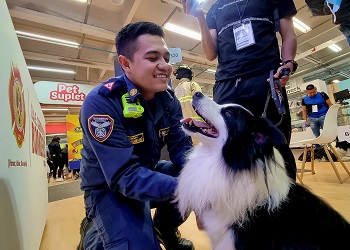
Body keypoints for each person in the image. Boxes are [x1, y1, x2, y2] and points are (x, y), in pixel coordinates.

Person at [78, 21, 195, 250]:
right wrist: (190, 189)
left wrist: (204, 176)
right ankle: (92, 235)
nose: (165, 66)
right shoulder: (102, 103)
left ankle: (164, 228)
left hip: (146, 172)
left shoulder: (168, 100)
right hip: (108, 188)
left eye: (166, 59)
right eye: (153, 59)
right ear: (125, 64)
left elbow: (181, 148)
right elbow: (124, 175)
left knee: (194, 176)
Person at [181, 0, 298, 179]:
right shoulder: (215, 9)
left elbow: (288, 33)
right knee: (224, 147)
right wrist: (200, 17)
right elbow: (210, 53)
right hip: (226, 84)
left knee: (276, 146)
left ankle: (285, 200)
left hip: (265, 79)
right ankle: (237, 203)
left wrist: (288, 61)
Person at [173, 64, 203, 145]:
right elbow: (201, 104)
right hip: (195, 125)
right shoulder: (193, 85)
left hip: (182, 125)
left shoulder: (176, 90)